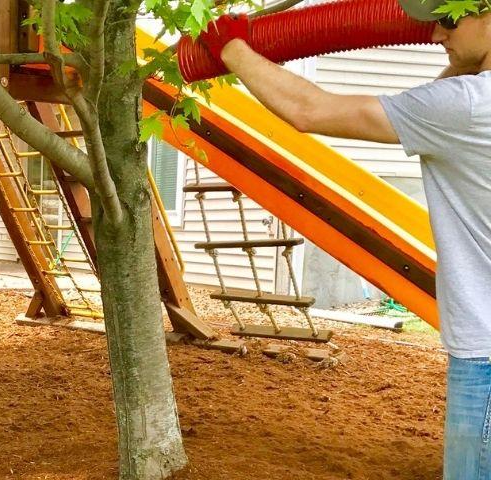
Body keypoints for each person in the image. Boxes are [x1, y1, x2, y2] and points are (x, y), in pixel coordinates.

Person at [189, 1, 491, 477]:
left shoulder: (469, 105)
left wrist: (230, 47)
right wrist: (465, 53)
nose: (435, 36)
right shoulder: (467, 102)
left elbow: (311, 111)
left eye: (449, 20)